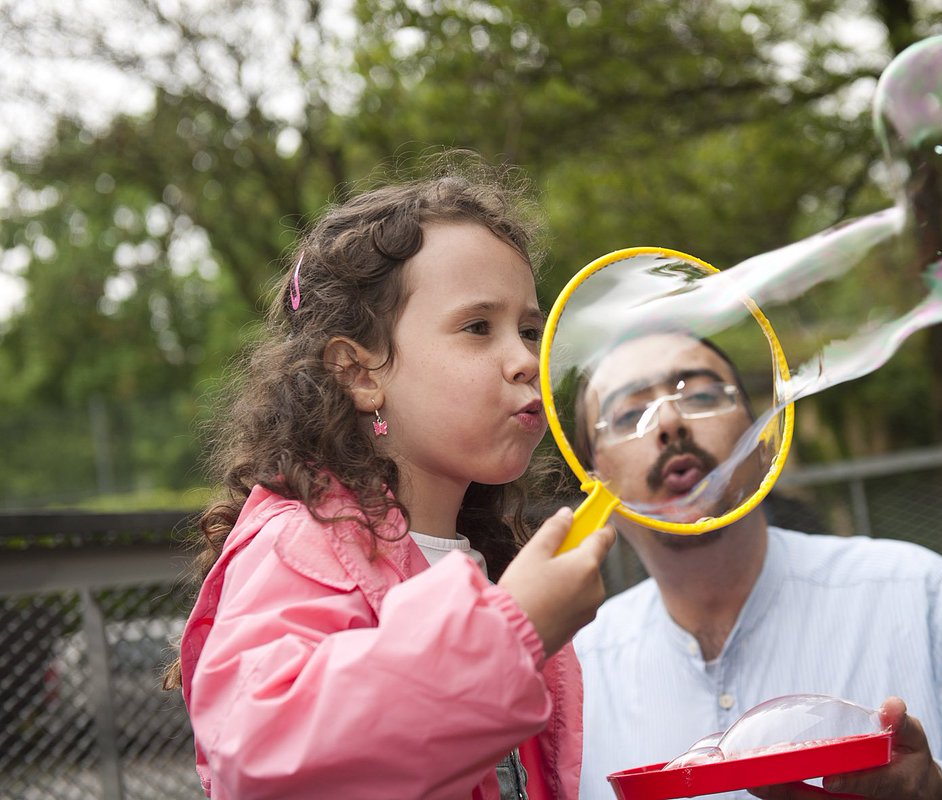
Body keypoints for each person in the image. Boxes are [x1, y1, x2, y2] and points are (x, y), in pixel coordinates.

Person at [163, 159, 615, 800]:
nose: (525, 360)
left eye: (530, 330)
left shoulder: (488, 562)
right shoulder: (302, 545)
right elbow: (263, 756)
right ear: (359, 372)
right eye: (477, 327)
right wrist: (511, 633)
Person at [570, 330, 942, 800]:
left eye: (702, 394)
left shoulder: (919, 592)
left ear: (763, 440)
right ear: (590, 476)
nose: (669, 421)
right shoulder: (571, 670)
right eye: (628, 414)